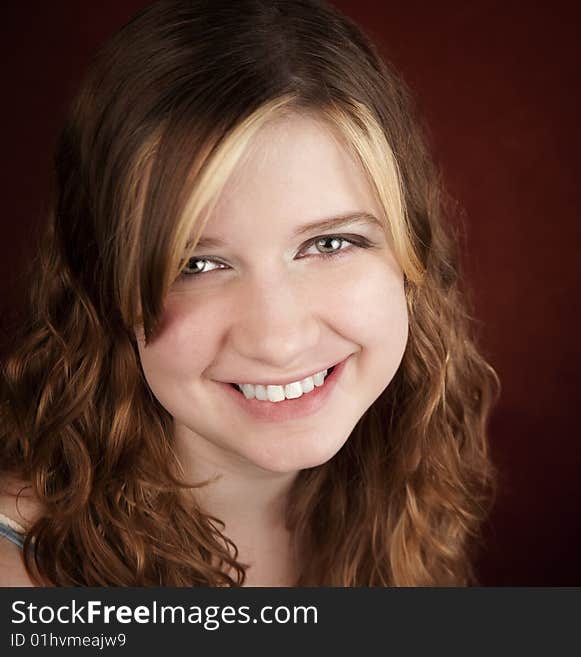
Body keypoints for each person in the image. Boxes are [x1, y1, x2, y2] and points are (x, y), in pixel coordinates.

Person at [0, 0, 498, 586]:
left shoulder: (403, 489)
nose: (278, 340)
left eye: (330, 244)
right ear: (102, 285)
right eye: (199, 263)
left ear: (411, 255)